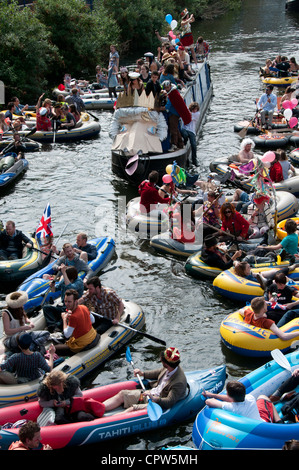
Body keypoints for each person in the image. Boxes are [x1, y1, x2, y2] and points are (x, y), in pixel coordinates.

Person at [102, 347, 187, 413]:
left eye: (162, 360)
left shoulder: (178, 382)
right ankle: (100, 409)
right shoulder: (169, 368)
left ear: (166, 363)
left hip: (157, 401)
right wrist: (142, 373)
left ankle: (103, 422)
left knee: (132, 409)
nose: (160, 360)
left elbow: (169, 401)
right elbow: (158, 373)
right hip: (150, 393)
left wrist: (154, 398)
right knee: (122, 394)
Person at [203, 380, 281, 423]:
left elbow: (208, 402)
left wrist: (211, 397)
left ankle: (278, 422)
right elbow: (230, 398)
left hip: (263, 425)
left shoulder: (231, 407)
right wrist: (214, 395)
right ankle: (278, 421)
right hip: (261, 423)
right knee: (262, 397)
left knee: (262, 398)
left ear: (229, 395)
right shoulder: (250, 398)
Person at [53, 289, 99, 356]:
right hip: (93, 335)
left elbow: (67, 335)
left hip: (84, 343)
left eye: (69, 302)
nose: (66, 304)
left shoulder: (73, 316)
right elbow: (93, 320)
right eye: (65, 301)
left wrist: (64, 319)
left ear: (76, 301)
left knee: (55, 348)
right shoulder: (84, 307)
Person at [43, 266, 84, 333]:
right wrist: (52, 286)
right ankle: (52, 326)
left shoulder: (79, 282)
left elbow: (70, 287)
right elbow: (55, 290)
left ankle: (57, 326)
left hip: (73, 307)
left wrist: (64, 273)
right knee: (46, 308)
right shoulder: (64, 280)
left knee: (65, 316)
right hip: (64, 306)